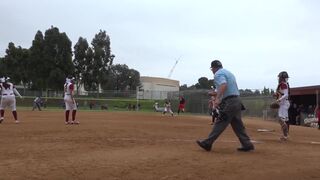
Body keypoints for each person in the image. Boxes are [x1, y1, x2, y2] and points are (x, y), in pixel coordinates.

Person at [196, 60, 254, 152]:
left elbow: (223, 85)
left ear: (213, 68)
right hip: (237, 100)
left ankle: (208, 143)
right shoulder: (228, 73)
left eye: (212, 69)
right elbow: (226, 88)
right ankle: (247, 144)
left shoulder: (218, 74)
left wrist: (218, 98)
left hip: (230, 102)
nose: (212, 71)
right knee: (237, 124)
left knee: (221, 121)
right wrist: (214, 93)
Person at [274, 71, 291, 141]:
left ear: (282, 78)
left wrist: (279, 100)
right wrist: (276, 95)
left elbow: (286, 94)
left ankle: (285, 135)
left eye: (279, 77)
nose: (278, 78)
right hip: (284, 103)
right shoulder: (284, 84)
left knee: (281, 119)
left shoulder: (283, 84)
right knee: (285, 120)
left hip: (283, 104)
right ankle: (286, 135)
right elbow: (282, 93)